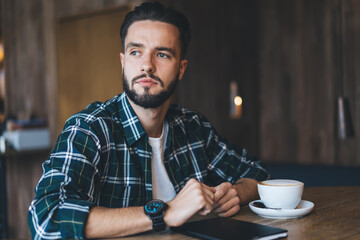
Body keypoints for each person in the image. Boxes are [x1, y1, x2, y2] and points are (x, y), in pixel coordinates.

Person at [28, 2, 269, 239]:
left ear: (181, 69)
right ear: (123, 62)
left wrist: (236, 192)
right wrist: (164, 213)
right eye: (136, 52)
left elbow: (257, 173)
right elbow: (47, 220)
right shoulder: (89, 129)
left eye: (162, 54)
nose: (147, 65)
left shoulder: (193, 127)